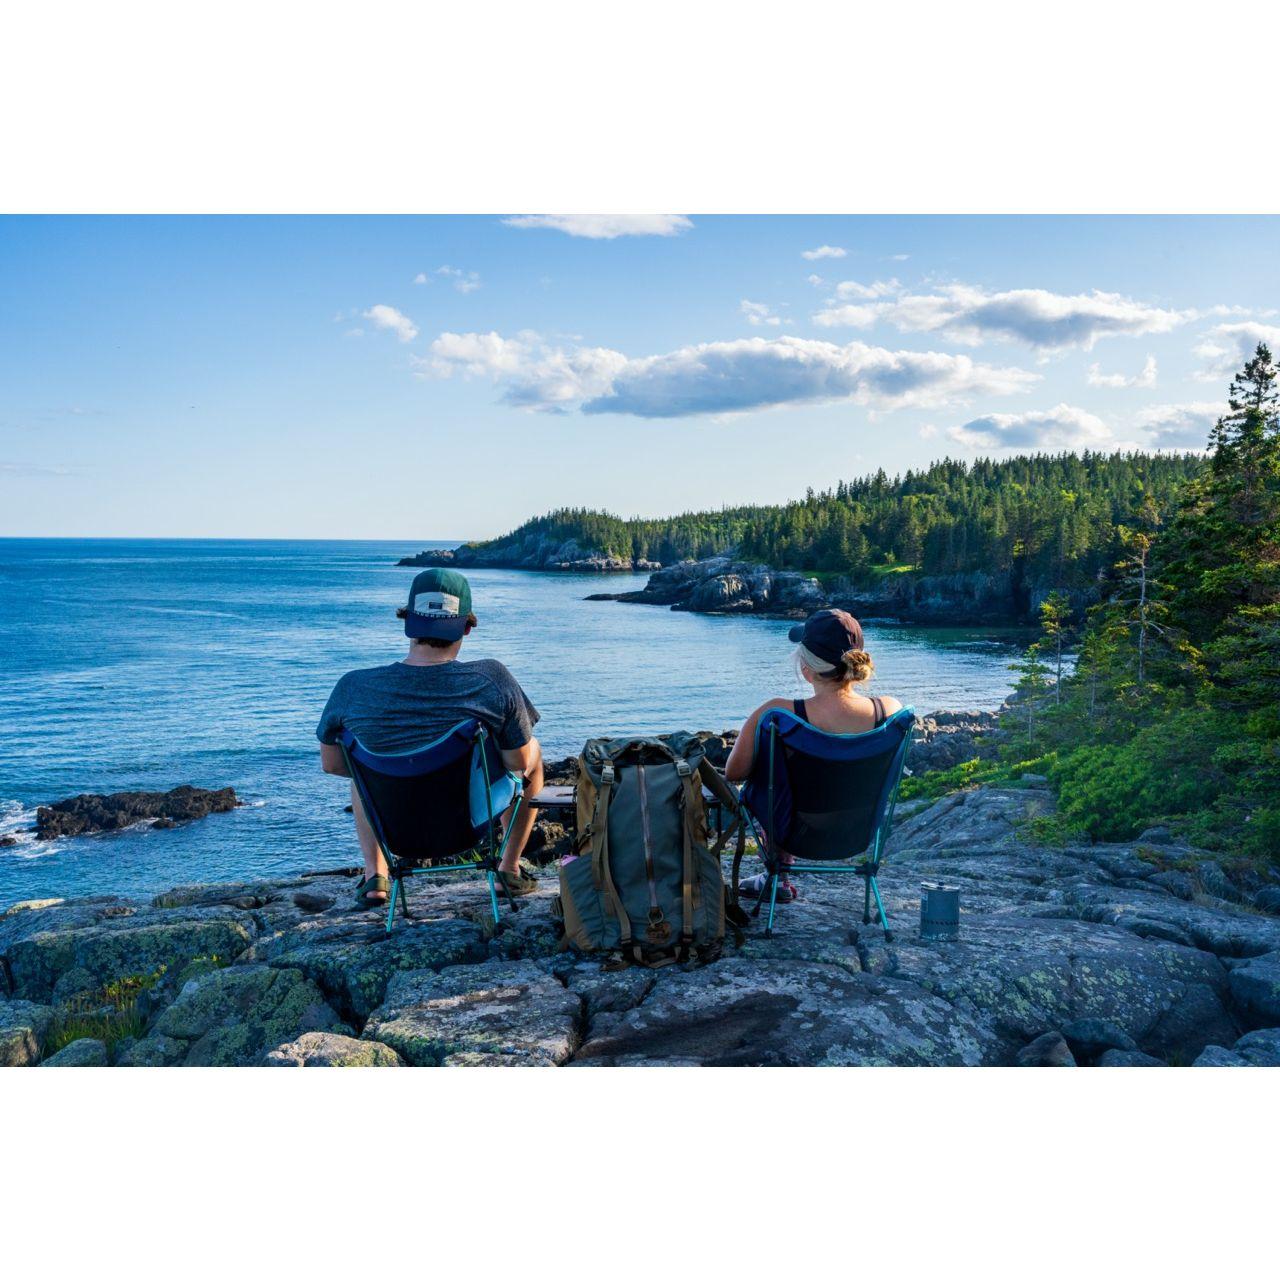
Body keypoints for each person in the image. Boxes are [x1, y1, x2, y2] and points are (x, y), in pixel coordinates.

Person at [316, 567, 544, 908]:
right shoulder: (491, 679)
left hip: (398, 832)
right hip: (467, 827)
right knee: (533, 753)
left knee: (360, 767)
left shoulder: (353, 687)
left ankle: (375, 875)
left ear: (407, 620)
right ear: (467, 626)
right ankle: (507, 869)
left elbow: (332, 764)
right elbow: (517, 764)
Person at [724, 608, 902, 903]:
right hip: (856, 833)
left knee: (765, 785)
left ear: (806, 669)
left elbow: (734, 772)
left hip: (793, 831)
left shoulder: (776, 714)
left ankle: (777, 876)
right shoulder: (891, 711)